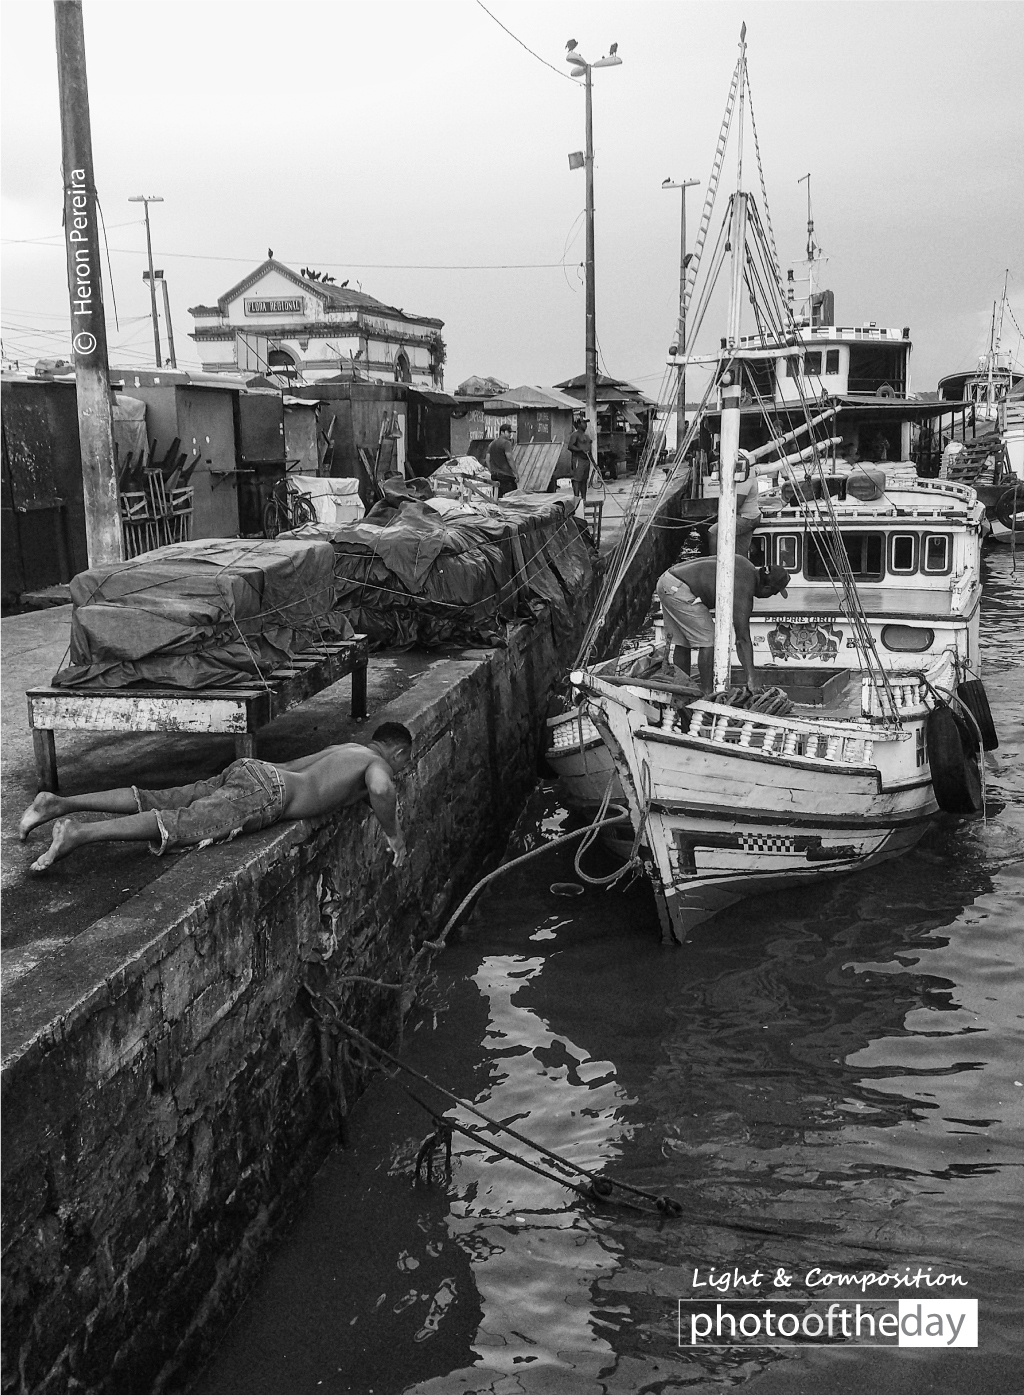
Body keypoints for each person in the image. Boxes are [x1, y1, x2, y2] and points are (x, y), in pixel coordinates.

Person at [20, 723, 415, 874]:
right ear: (396, 753)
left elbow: (296, 764)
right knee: (179, 824)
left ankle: (59, 802)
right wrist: (394, 834)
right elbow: (382, 789)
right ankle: (79, 833)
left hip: (256, 769)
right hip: (268, 792)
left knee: (160, 798)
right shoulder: (376, 766)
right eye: (404, 762)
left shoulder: (347, 749)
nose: (400, 769)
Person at [656, 556, 791, 695]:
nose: (771, 596)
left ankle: (681, 691)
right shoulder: (743, 588)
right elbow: (742, 639)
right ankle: (708, 694)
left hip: (667, 580)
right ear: (767, 587)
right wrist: (752, 678)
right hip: (679, 588)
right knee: (710, 640)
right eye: (774, 593)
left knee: (683, 641)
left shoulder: (745, 564)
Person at [708, 457, 761, 558]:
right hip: (751, 516)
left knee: (713, 532)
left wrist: (721, 516)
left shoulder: (744, 478)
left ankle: (715, 563)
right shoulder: (748, 475)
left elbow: (735, 505)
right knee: (740, 552)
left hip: (746, 518)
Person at [566, 416, 595, 503]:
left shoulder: (586, 436)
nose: (585, 425)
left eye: (586, 423)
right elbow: (570, 446)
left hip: (587, 460)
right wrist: (580, 450)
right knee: (577, 480)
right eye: (583, 423)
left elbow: (590, 452)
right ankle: (576, 499)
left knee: (584, 480)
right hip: (579, 459)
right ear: (578, 424)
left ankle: (584, 500)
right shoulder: (575, 435)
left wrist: (594, 464)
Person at [486, 424, 518, 497]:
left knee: (497, 498)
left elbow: (487, 459)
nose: (510, 434)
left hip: (495, 476)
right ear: (502, 432)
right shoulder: (506, 443)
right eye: (509, 432)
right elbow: (509, 458)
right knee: (512, 499)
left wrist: (492, 471)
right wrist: (515, 473)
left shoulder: (492, 443)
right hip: (506, 476)